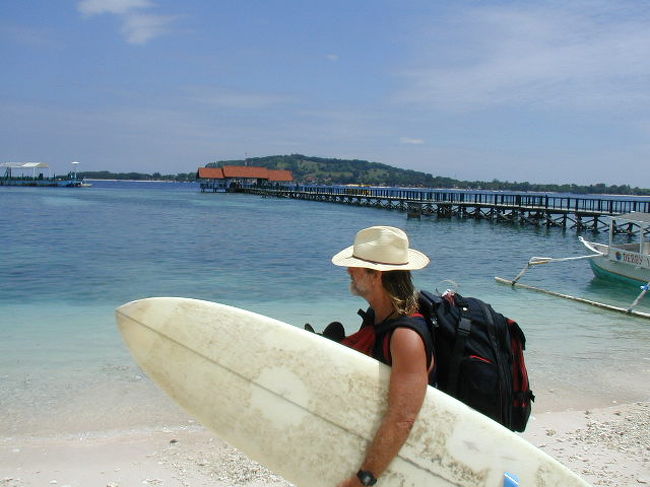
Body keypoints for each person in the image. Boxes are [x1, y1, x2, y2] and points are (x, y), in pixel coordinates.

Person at [330, 225, 432, 487]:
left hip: (401, 465)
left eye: (355, 266)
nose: (348, 271)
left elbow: (402, 419)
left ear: (376, 276)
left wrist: (362, 479)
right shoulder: (378, 317)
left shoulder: (405, 337)